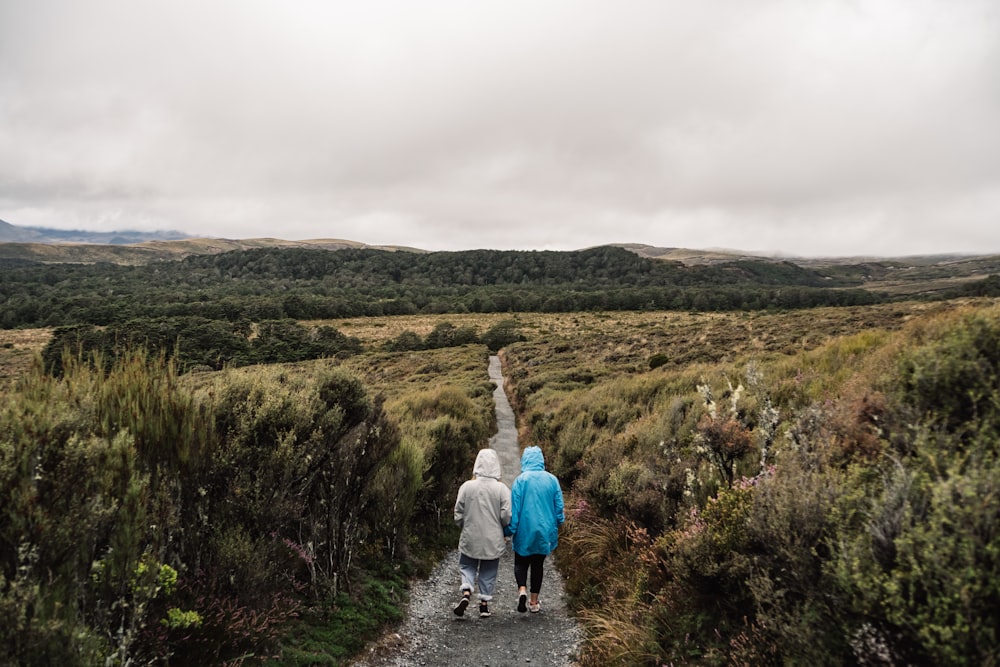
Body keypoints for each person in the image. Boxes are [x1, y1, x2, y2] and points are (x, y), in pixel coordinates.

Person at [453, 448, 512, 618]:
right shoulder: (502, 489)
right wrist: (503, 529)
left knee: (467, 564)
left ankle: (466, 592)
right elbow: (506, 514)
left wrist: (462, 525)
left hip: (470, 534)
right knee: (489, 569)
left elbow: (458, 511)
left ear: (477, 464)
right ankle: (484, 604)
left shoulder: (467, 486)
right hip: (493, 537)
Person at [506, 445, 564, 613]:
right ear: (541, 460)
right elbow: (558, 506)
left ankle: (522, 590)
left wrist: (510, 530)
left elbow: (514, 510)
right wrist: (558, 522)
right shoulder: (552, 480)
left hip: (524, 529)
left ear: (524, 461)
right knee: (538, 564)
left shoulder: (520, 481)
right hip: (545, 530)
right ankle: (533, 602)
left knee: (521, 562)